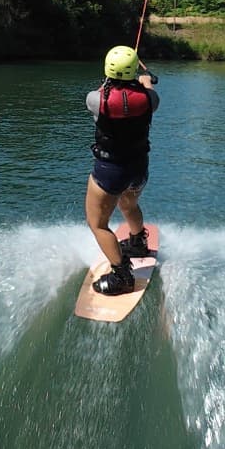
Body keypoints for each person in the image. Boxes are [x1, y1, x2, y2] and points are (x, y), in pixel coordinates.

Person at [84, 44, 159, 295]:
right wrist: (145, 82)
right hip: (138, 167)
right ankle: (138, 243)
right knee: (128, 204)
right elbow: (147, 96)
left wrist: (109, 82)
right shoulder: (150, 99)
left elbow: (101, 95)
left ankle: (122, 275)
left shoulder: (96, 100)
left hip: (111, 170)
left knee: (98, 224)